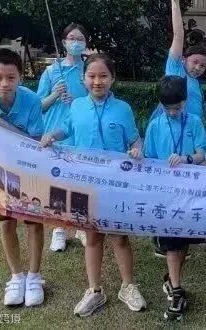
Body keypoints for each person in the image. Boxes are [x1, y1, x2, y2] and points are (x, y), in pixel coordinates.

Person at [41, 53, 146, 317]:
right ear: (83, 78)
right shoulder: (76, 106)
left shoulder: (123, 108)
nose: (97, 81)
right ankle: (94, 290)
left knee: (119, 237)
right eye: (91, 76)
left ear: (113, 78)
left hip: (116, 185)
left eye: (103, 76)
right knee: (92, 236)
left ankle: (128, 286)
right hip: (84, 183)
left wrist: (137, 149)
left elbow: (135, 139)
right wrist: (52, 135)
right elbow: (66, 129)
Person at [0, 48, 45, 307]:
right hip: (3, 174)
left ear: (20, 78)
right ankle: (16, 276)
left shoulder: (32, 101)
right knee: (6, 223)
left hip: (31, 170)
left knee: (34, 223)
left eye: (11, 77)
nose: (5, 83)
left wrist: (2, 124)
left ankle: (34, 276)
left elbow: (34, 144)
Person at [143, 75, 206, 321]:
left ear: (185, 101)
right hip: (166, 195)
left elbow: (203, 152)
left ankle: (172, 280)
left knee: (183, 242)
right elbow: (149, 159)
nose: (172, 112)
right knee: (171, 243)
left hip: (190, 193)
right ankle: (177, 290)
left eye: (177, 107)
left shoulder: (194, 122)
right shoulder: (155, 125)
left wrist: (187, 159)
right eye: (167, 108)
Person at [37, 23, 89, 252]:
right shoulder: (51, 72)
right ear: (64, 42)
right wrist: (54, 95)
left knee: (80, 180)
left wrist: (78, 99)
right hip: (55, 133)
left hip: (80, 133)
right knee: (57, 183)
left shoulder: (89, 70)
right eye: (72, 38)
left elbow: (97, 99)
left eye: (80, 39)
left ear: (85, 43)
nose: (76, 42)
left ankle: (80, 225)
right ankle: (59, 229)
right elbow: (39, 106)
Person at [166, 0, 206, 119]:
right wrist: (175, 1)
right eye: (195, 62)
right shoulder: (175, 69)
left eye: (202, 65)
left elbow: (199, 114)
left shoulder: (196, 83)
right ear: (184, 60)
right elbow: (178, 35)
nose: (198, 68)